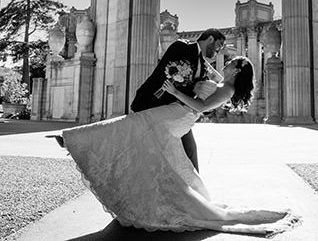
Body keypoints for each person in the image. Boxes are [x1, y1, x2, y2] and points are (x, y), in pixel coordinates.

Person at [61, 57, 301, 235]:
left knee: (135, 125)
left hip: (181, 114)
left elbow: (199, 107)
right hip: (177, 112)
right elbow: (206, 68)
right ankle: (79, 141)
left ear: (237, 70)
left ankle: (77, 140)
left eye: (230, 63)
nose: (225, 63)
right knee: (140, 136)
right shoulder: (221, 80)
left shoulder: (227, 89)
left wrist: (175, 90)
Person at [131, 27, 226, 171]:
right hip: (153, 105)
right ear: (210, 39)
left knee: (190, 150)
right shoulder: (181, 46)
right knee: (149, 153)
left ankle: (194, 189)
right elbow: (165, 74)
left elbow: (216, 80)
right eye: (218, 46)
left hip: (178, 112)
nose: (217, 52)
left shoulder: (203, 65)